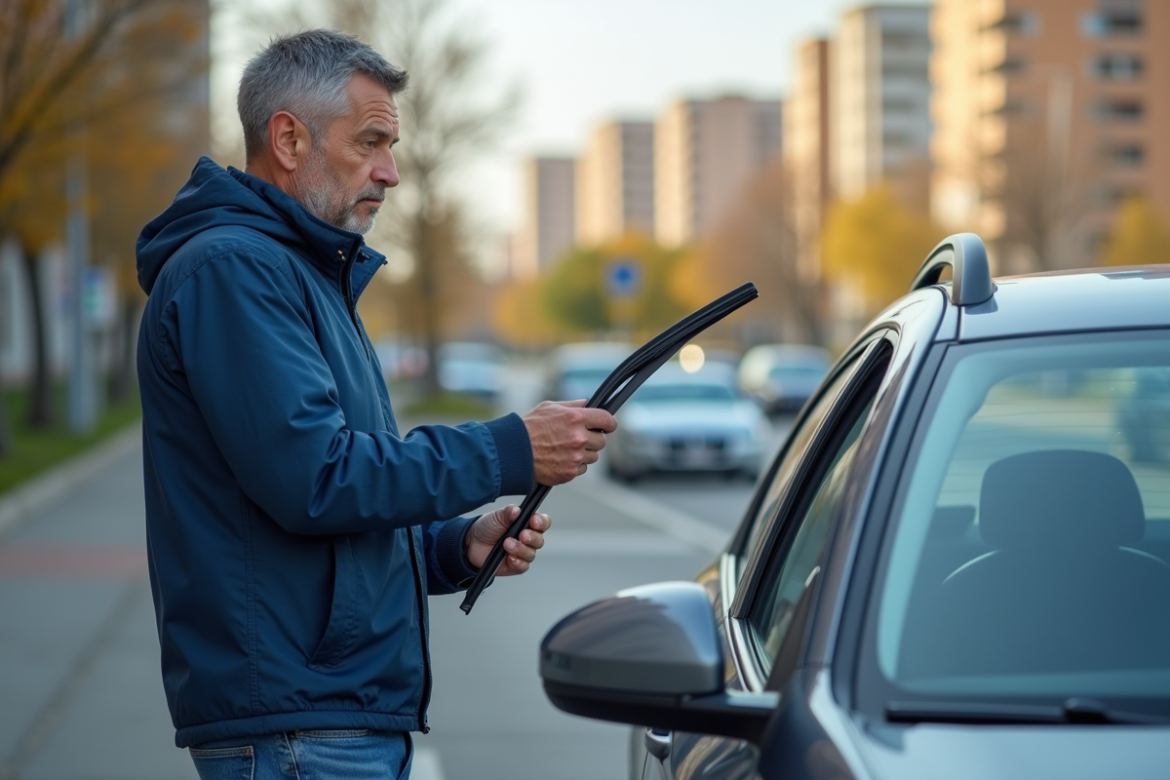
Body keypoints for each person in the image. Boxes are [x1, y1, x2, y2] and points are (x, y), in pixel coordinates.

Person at [135, 29, 617, 780]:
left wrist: (453, 549)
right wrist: (510, 449)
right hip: (300, 730)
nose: (391, 173)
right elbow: (315, 480)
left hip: (320, 717)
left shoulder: (295, 273)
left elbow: (317, 505)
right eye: (371, 142)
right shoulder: (235, 271)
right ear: (289, 139)